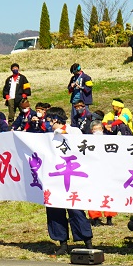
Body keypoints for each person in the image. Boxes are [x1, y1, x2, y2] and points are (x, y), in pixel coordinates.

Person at [44, 107, 93, 255]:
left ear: (55, 120)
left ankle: (87, 241)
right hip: (54, 179)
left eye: (48, 121)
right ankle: (63, 243)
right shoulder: (47, 136)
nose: (47, 124)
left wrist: (64, 135)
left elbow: (80, 144)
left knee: (76, 211)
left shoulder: (74, 131)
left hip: (72, 178)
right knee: (55, 212)